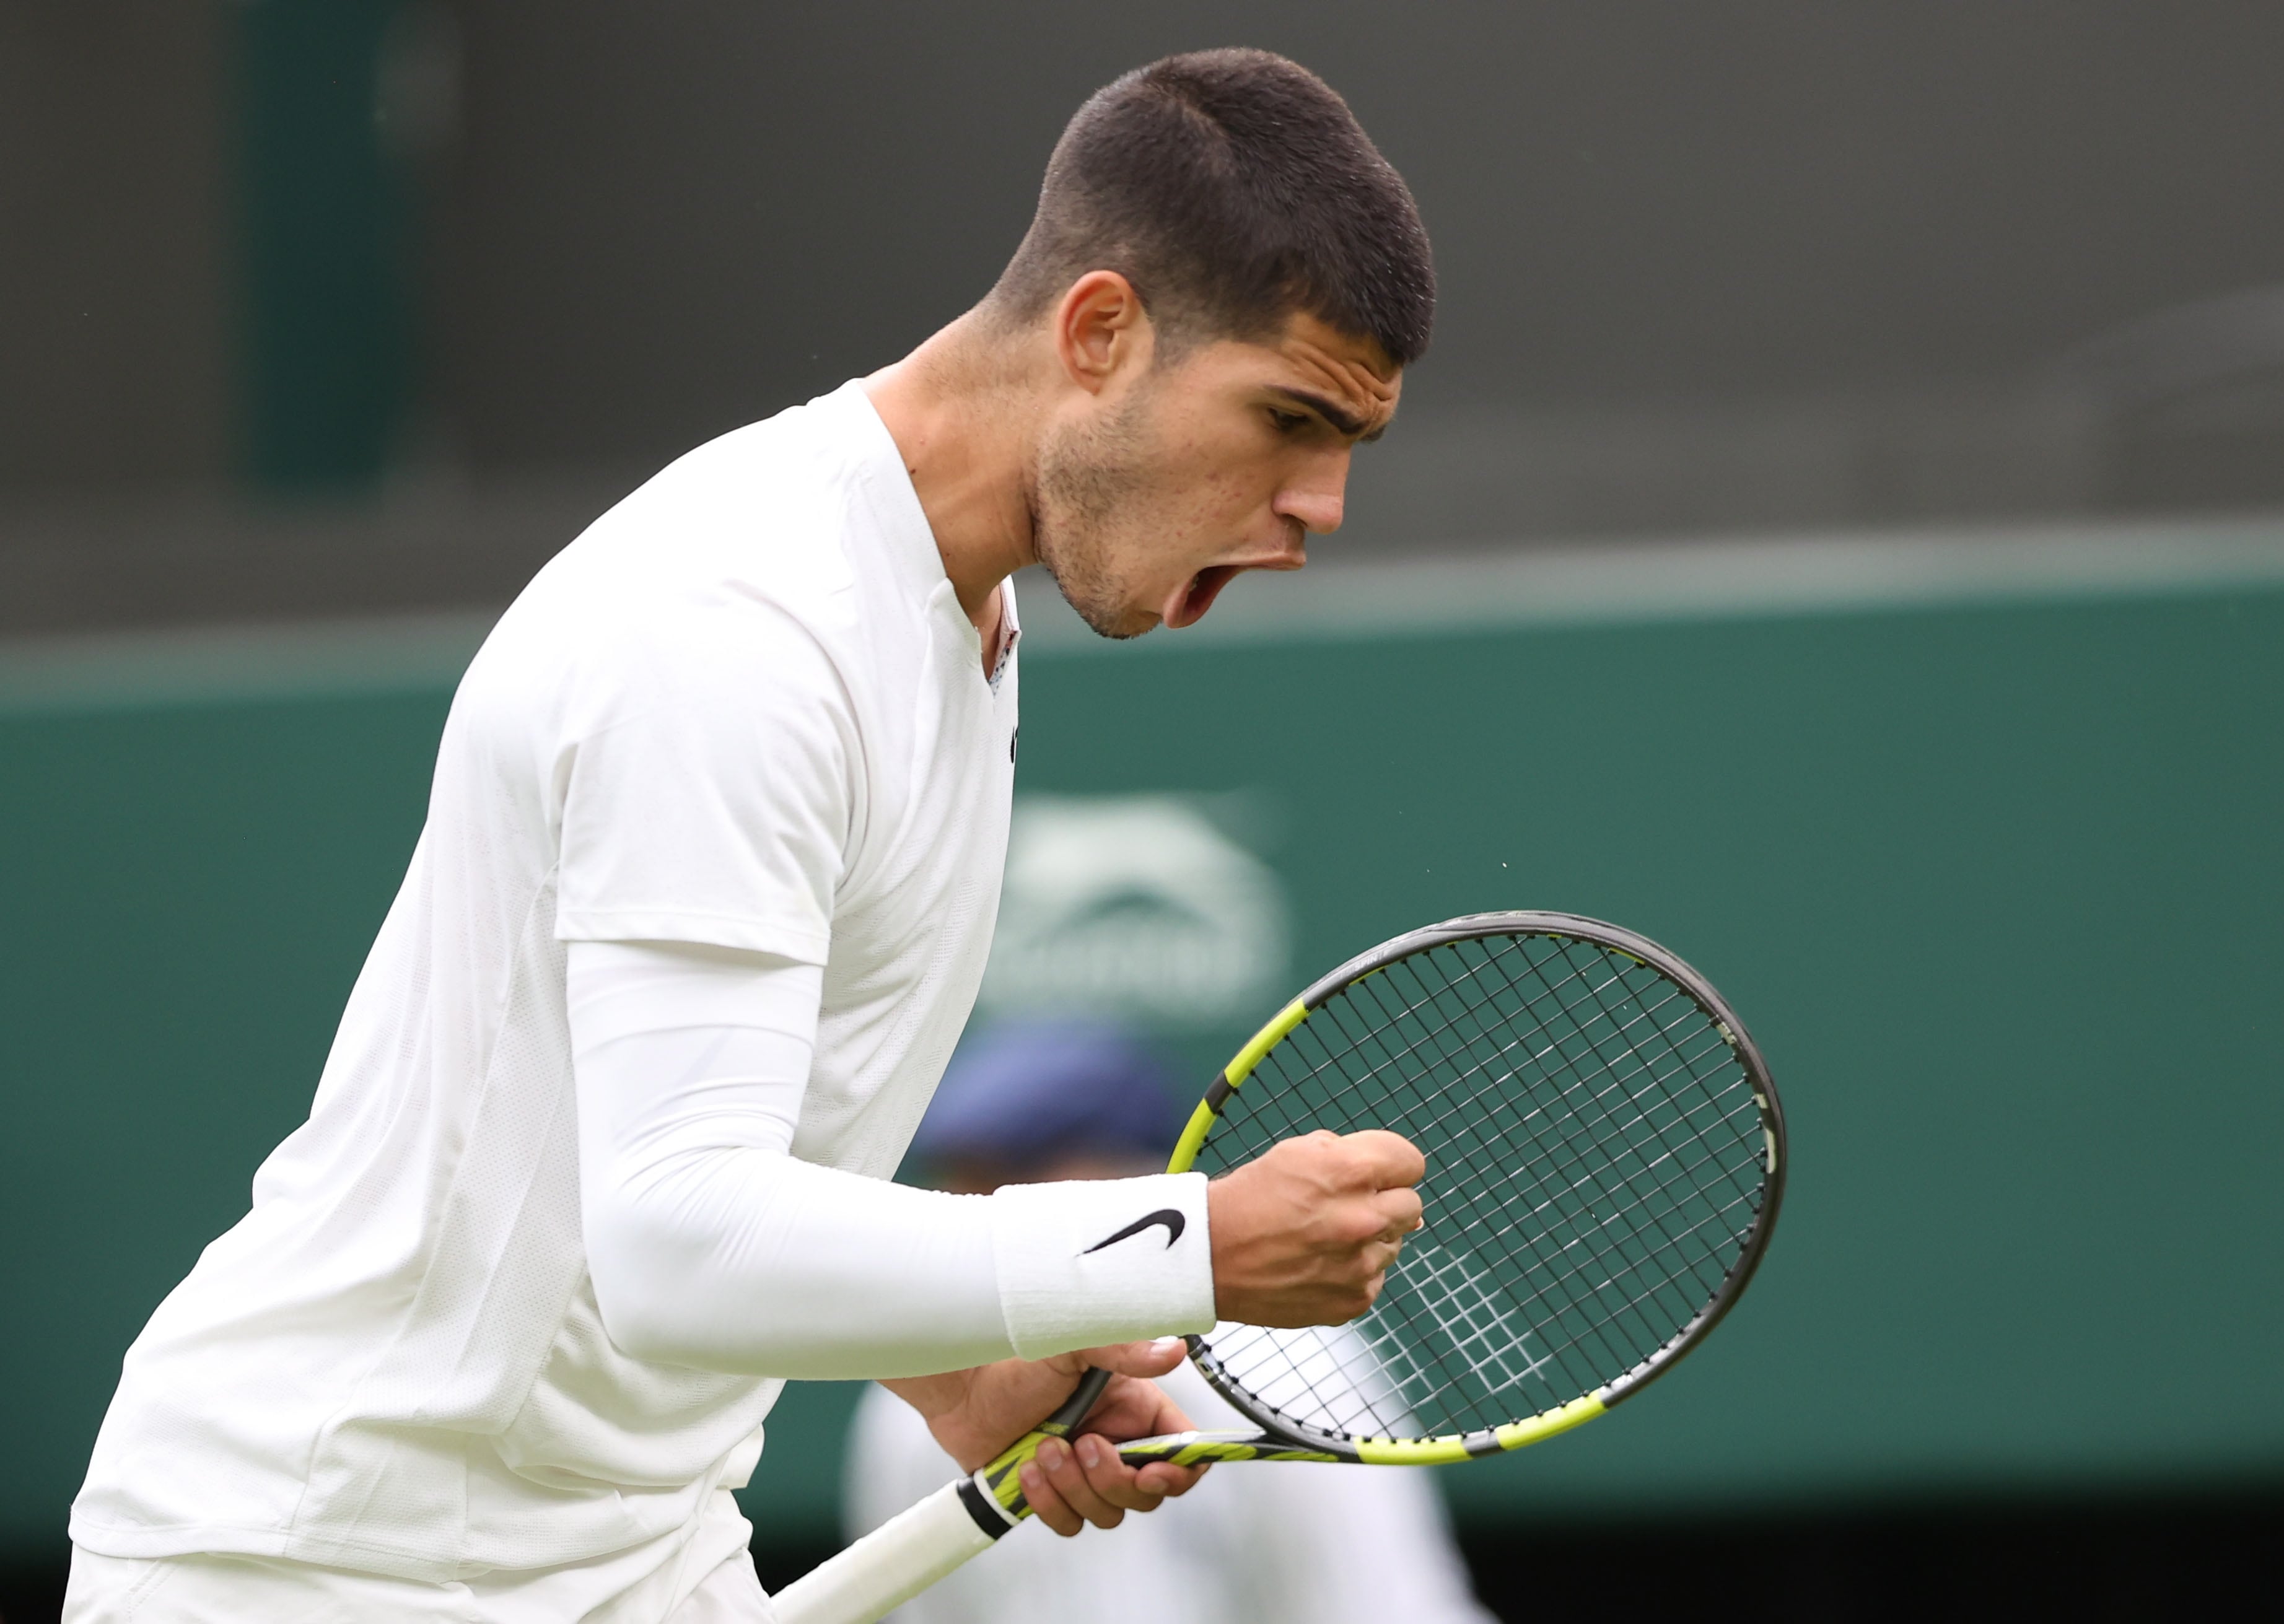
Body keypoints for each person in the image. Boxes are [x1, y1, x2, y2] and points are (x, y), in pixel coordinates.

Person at [64, 48, 1436, 1624]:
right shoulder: (741, 628)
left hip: (629, 1554)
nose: (1318, 507)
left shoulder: (952, 618)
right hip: (313, 1568)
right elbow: (678, 1232)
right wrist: (1183, 1244)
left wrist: (960, 1378)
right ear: (1100, 333)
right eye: (1288, 418)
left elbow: (705, 1172)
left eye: (1349, 448)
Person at [846, 1019, 1497, 1624]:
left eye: (1014, 1176)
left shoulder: (1284, 1364)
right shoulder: (912, 1402)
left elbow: (1385, 1608)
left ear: (1134, 1173)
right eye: (963, 1180)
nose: (980, 1209)